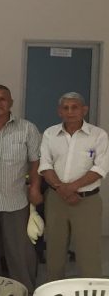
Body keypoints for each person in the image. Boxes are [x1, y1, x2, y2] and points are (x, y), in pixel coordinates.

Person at [0, 84, 41, 291]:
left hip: (15, 200)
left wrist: (35, 188)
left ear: (11, 102)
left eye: (2, 99)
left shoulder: (27, 128)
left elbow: (36, 162)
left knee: (19, 252)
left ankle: (23, 290)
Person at [38, 92, 107, 280]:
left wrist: (71, 188)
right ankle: (55, 289)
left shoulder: (98, 135)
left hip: (87, 201)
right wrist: (61, 189)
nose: (70, 112)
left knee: (88, 253)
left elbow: (100, 168)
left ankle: (91, 291)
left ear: (84, 110)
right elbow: (45, 165)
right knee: (54, 252)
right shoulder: (50, 134)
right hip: (56, 199)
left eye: (75, 107)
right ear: (59, 111)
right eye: (65, 108)